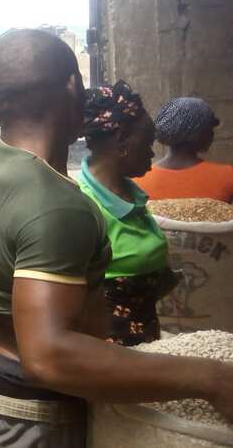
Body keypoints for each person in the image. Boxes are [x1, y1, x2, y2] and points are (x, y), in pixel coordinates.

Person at [0, 29, 233, 447]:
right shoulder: (56, 203)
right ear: (72, 85)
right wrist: (212, 378)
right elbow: (49, 354)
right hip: (27, 415)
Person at [78, 81, 172, 346]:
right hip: (109, 353)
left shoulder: (131, 194)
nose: (152, 153)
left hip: (147, 340)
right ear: (121, 141)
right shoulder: (84, 206)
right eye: (148, 142)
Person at [134, 97, 233, 202]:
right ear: (200, 132)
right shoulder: (227, 176)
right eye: (210, 129)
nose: (213, 134)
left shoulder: (137, 182)